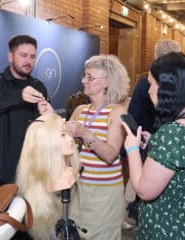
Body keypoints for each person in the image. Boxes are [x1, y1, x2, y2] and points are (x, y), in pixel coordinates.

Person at [121, 52, 185, 239]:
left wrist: (132, 148)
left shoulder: (173, 133)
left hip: (167, 229)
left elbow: (143, 190)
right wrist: (156, 147)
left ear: (166, 87)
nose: (149, 91)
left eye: (152, 84)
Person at [66, 54, 130, 240]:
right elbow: (62, 145)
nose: (83, 80)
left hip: (105, 194)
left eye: (90, 77)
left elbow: (110, 155)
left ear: (107, 82)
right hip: (78, 189)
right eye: (85, 76)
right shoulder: (80, 111)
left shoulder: (117, 112)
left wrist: (84, 133)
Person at [0, 34, 50, 186]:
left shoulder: (39, 86)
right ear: (10, 56)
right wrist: (19, 95)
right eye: (23, 55)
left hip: (34, 168)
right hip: (6, 173)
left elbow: (47, 124)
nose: (28, 61)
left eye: (32, 57)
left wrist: (48, 115)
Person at [126, 39, 181, 223]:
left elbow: (133, 114)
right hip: (170, 151)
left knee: (146, 192)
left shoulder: (144, 84)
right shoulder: (184, 86)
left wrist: (136, 144)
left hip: (146, 145)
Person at [16, 113, 80, 240]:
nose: (70, 139)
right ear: (46, 145)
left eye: (67, 133)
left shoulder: (70, 172)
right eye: (62, 135)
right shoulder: (45, 184)